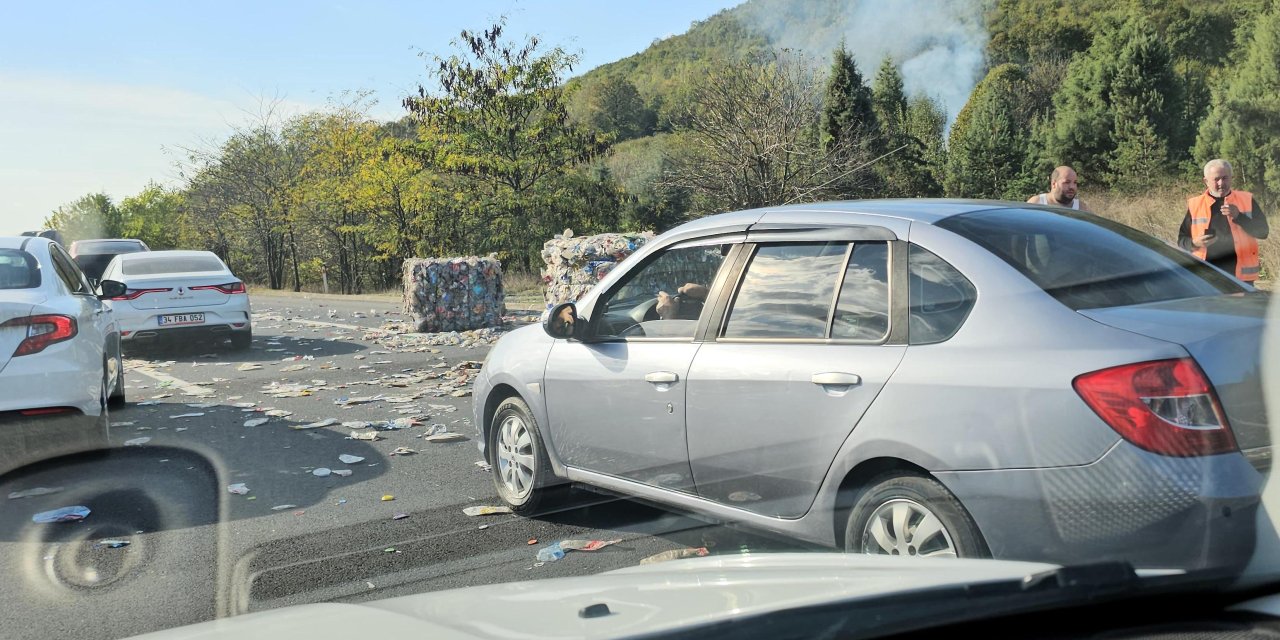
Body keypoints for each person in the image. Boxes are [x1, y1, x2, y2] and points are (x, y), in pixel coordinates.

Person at [1177, 159, 1269, 283]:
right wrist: (1195, 243)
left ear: (1232, 178)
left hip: (1241, 279)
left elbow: (1263, 232)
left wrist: (1239, 217)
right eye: (1216, 179)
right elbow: (1181, 241)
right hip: (1205, 278)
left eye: (1225, 178)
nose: (1221, 183)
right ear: (1206, 181)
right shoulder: (1195, 204)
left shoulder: (1246, 199)